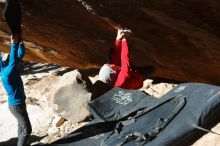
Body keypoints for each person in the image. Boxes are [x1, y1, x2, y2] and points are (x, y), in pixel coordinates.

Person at [0, 37, 32, 146]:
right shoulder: (6, 73)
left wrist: (21, 42)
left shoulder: (9, 68)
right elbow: (14, 60)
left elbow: (20, 54)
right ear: (2, 62)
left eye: (7, 57)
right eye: (5, 59)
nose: (8, 58)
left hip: (19, 104)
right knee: (27, 129)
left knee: (21, 127)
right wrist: (14, 44)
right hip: (16, 106)